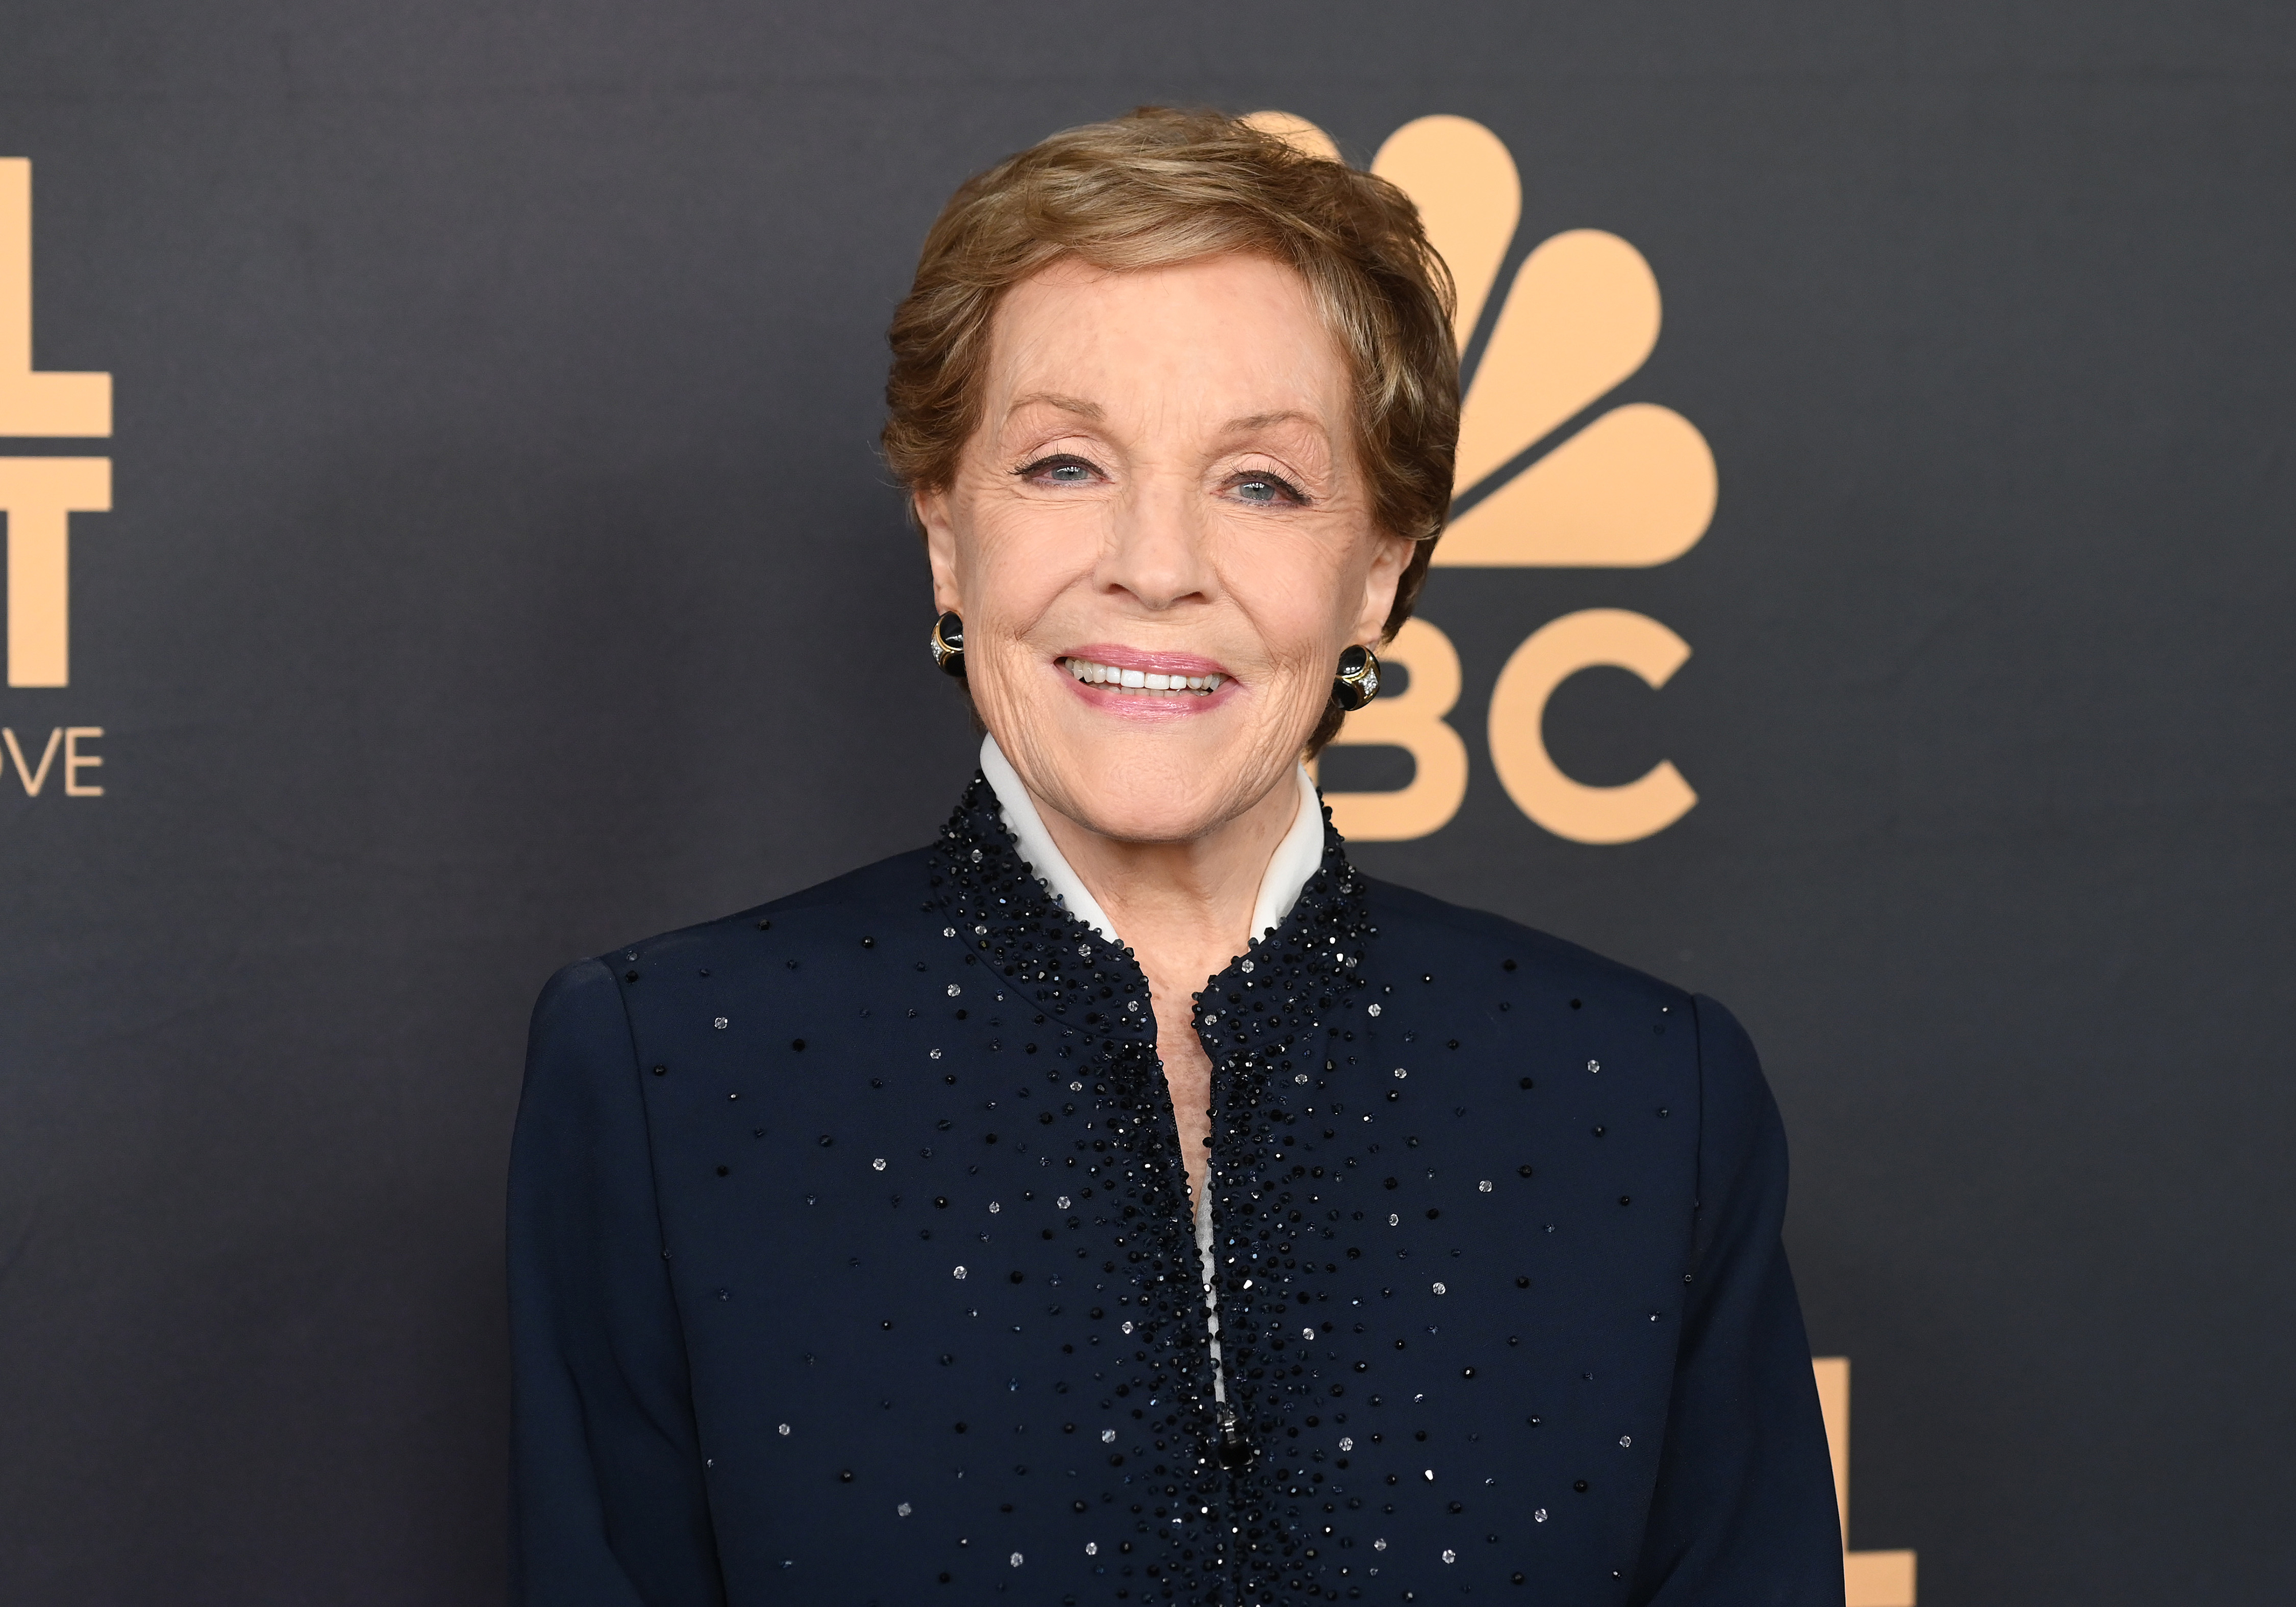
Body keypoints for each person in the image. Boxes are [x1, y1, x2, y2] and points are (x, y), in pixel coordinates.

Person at [509, 106, 1842, 1607]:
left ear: (1381, 567)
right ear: (948, 532)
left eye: (1260, 482)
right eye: (1066, 466)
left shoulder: (1645, 1096)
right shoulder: (670, 1069)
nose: (1155, 563)